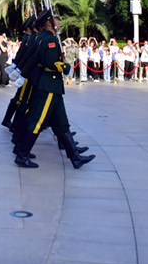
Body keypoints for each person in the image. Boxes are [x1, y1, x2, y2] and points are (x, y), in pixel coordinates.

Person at [14, 9, 95, 169]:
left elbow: (33, 58)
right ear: (49, 23)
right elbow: (50, 62)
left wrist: (22, 73)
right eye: (55, 19)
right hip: (49, 85)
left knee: (62, 123)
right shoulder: (49, 40)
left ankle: (75, 158)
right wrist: (65, 67)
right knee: (37, 121)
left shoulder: (44, 38)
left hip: (53, 86)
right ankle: (22, 155)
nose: (58, 22)